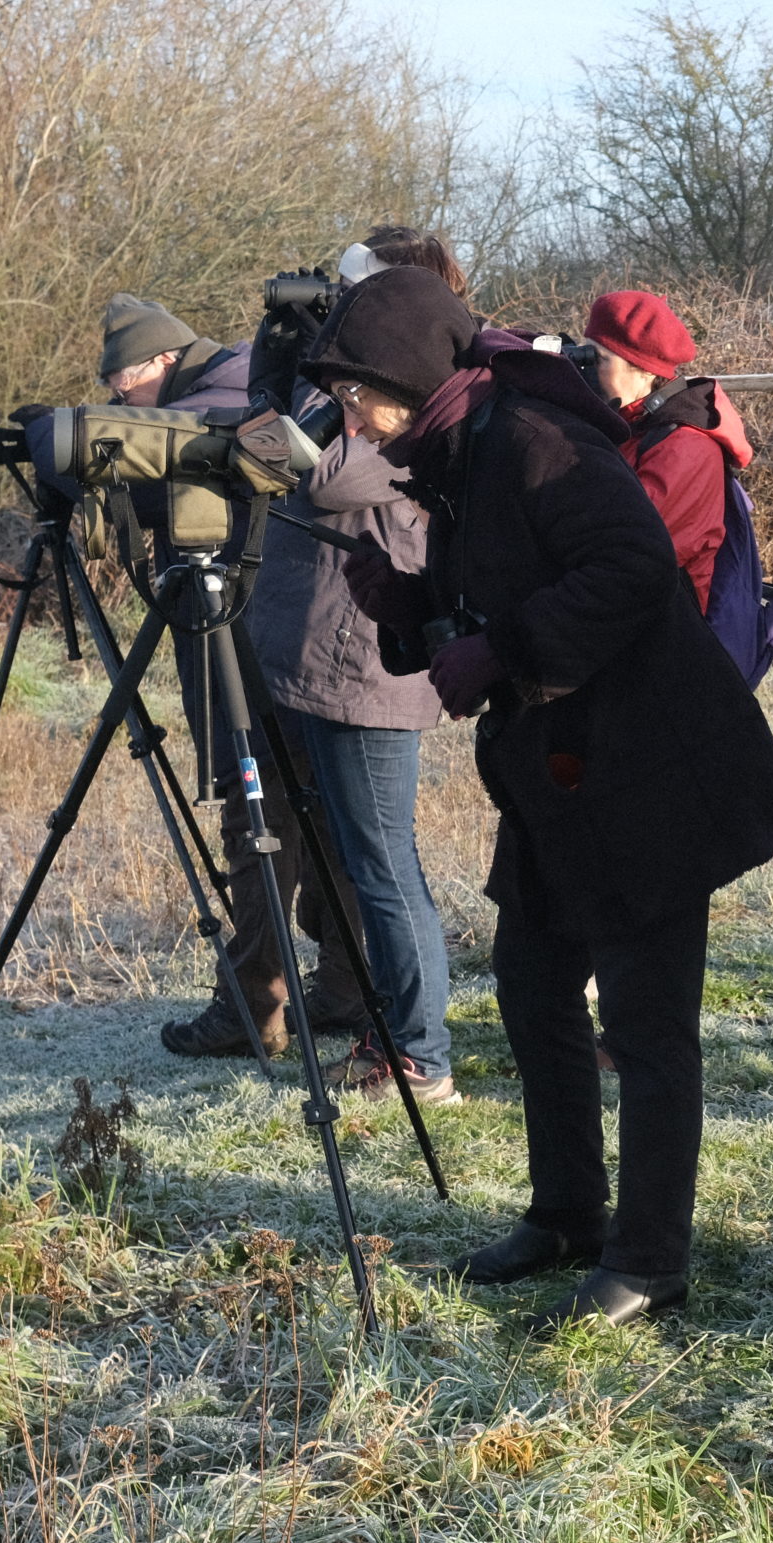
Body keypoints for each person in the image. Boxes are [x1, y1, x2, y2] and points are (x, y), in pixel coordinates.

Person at [313, 266, 773, 1332]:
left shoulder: (532, 438)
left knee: (647, 1025)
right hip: (560, 775)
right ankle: (568, 1215)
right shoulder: (459, 450)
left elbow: (632, 566)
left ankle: (650, 1259)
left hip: (651, 771)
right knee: (536, 992)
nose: (350, 420)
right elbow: (498, 585)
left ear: (411, 376)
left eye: (359, 395)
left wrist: (503, 649)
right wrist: (408, 607)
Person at [88, 295, 367, 1061]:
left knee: (258, 817)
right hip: (304, 636)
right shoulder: (268, 385)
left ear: (161, 360)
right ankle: (347, 988)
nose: (117, 399)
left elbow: (165, 467)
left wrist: (87, 455)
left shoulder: (224, 405)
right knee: (321, 815)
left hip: (247, 636)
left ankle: (253, 1004)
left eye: (122, 382)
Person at [239, 233, 476, 1104]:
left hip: (366, 663)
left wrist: (315, 378)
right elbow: (263, 464)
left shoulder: (419, 395)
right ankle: (392, 1032)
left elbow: (329, 480)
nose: (339, 310)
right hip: (324, 658)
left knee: (384, 867)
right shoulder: (353, 392)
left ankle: (422, 1055)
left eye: (353, 295)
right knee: (364, 859)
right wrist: (275, 377)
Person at [578, 290, 750, 614]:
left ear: (645, 370)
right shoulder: (630, 425)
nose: (586, 371)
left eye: (598, 359)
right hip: (630, 605)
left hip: (667, 622)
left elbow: (629, 545)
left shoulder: (685, 447)